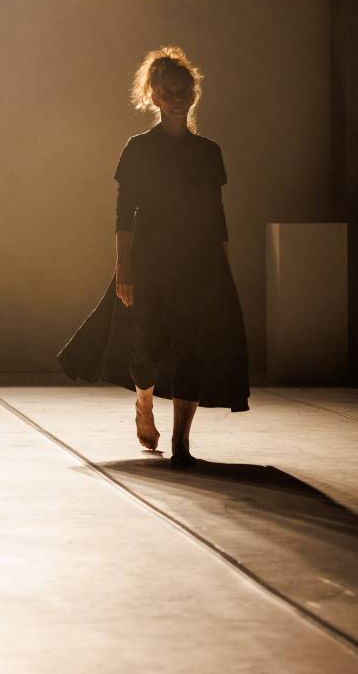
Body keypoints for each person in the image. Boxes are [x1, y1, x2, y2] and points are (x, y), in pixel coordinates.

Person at [58, 46, 249, 467]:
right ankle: (143, 403)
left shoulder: (208, 152)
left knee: (192, 348)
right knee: (146, 345)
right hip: (150, 260)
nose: (177, 98)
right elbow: (124, 211)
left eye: (183, 90)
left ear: (194, 94)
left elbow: (216, 214)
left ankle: (182, 441)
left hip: (200, 264)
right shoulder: (139, 149)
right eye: (168, 91)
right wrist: (124, 266)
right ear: (153, 96)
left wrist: (223, 269)